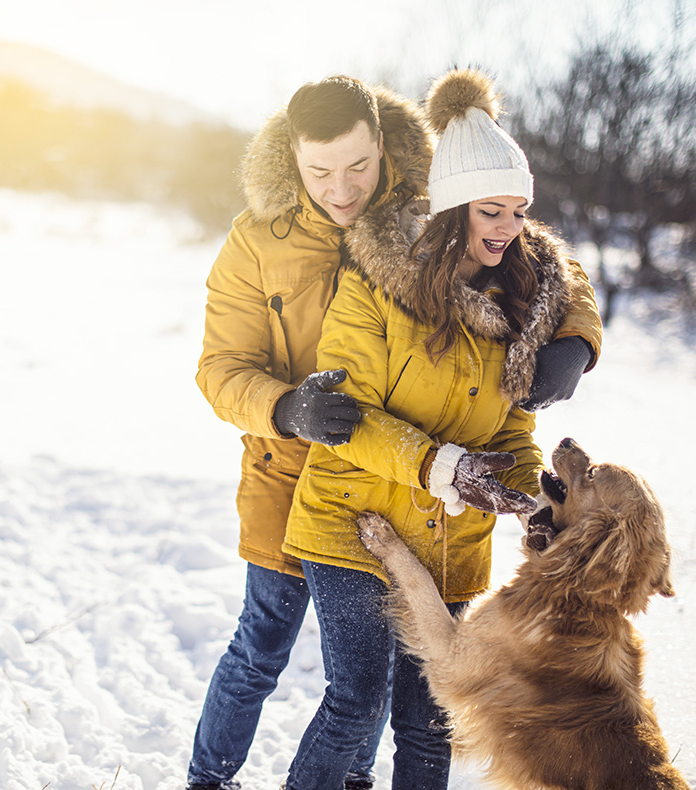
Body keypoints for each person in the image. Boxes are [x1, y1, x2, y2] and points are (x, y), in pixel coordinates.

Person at [191, 74, 602, 790]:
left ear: (382, 145)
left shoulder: (424, 210)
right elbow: (221, 369)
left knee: (381, 677)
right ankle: (207, 778)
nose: (341, 189)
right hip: (294, 474)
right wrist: (287, 408)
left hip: (407, 483)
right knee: (263, 646)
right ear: (293, 160)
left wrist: (575, 340)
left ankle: (353, 780)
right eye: (319, 172)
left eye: (357, 166)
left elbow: (530, 249)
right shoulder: (258, 243)